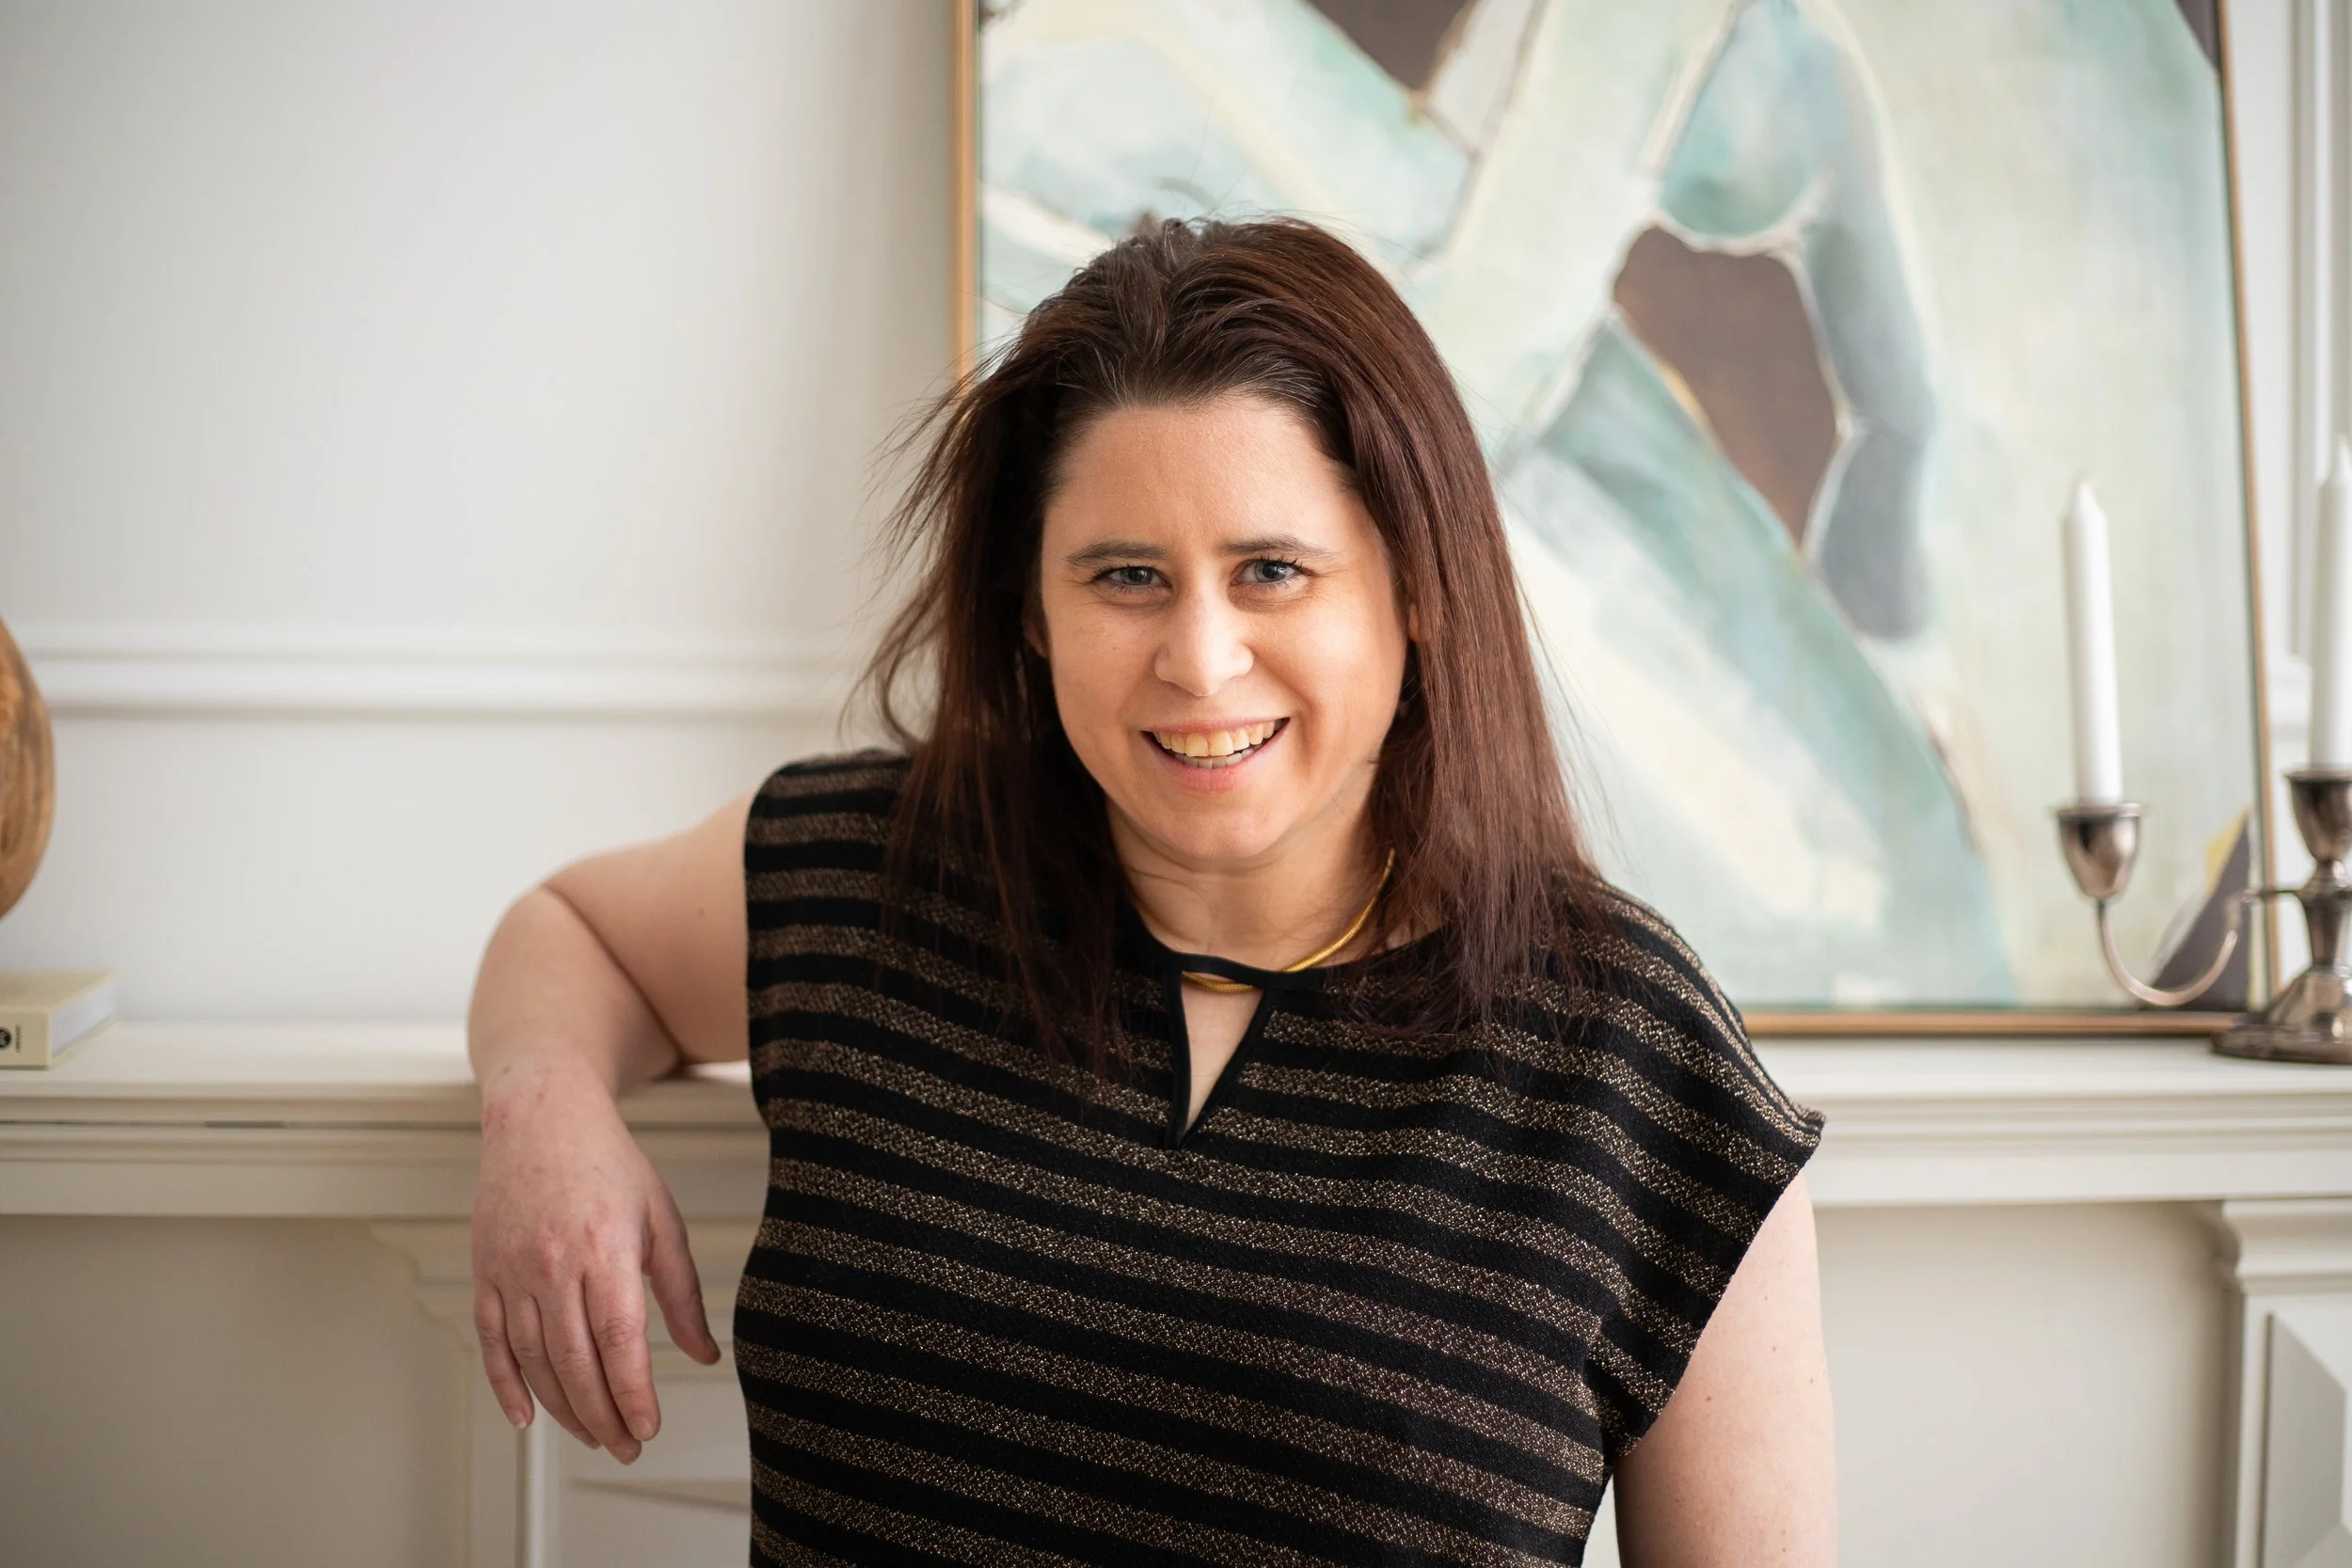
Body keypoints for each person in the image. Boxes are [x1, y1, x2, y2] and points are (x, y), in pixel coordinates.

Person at [468, 216, 1835, 1566]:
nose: (1200, 658)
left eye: (1273, 572)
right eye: (1127, 577)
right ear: (1032, 608)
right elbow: (577, 934)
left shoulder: (1633, 1056)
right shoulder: (869, 869)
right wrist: (546, 1114)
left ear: (1419, 593)